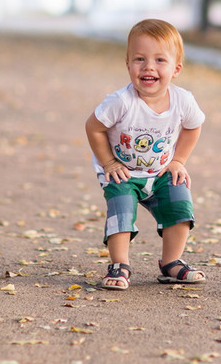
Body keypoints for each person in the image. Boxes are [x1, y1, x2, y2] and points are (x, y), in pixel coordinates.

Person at [85, 19, 206, 289]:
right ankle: (120, 265)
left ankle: (171, 262)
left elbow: (193, 126)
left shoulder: (183, 100)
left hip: (160, 171)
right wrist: (109, 162)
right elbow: (93, 127)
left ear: (176, 69)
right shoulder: (121, 102)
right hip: (123, 172)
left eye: (160, 60)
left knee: (179, 201)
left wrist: (178, 160)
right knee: (122, 209)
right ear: (128, 64)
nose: (149, 67)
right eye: (140, 59)